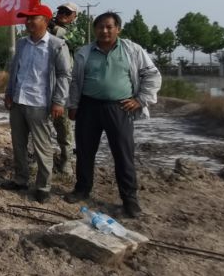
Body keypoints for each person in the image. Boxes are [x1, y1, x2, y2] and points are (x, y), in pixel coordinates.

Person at [65, 12, 161, 218]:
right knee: (84, 151)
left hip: (119, 108)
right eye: (100, 27)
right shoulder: (84, 52)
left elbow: (152, 74)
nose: (104, 31)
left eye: (109, 27)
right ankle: (82, 189)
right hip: (88, 106)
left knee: (123, 154)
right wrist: (72, 105)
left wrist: (140, 99)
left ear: (118, 29)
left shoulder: (132, 50)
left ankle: (130, 200)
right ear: (95, 29)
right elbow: (75, 81)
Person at [0, 4, 72, 203]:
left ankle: (43, 187)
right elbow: (15, 70)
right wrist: (9, 93)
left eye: (34, 18)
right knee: (19, 145)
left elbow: (64, 75)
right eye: (27, 18)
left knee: (42, 147)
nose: (29, 21)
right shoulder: (22, 44)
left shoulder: (57, 45)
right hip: (18, 101)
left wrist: (58, 101)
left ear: (46, 21)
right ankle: (21, 179)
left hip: (39, 103)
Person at [48, 2, 80, 176]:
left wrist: (54, 28)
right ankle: (41, 160)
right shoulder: (47, 28)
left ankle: (66, 162)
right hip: (45, 82)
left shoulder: (77, 32)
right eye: (61, 11)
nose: (63, 14)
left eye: (67, 12)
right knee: (41, 126)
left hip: (63, 85)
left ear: (74, 16)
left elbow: (74, 41)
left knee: (64, 127)